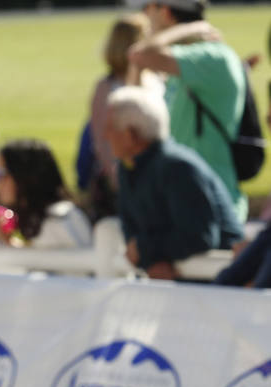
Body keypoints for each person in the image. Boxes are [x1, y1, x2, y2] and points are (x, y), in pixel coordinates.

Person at [127, 0, 248, 222]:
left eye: (149, 7)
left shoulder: (210, 57)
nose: (145, 14)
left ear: (165, 13)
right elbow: (131, 103)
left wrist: (189, 28)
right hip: (184, 201)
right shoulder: (185, 62)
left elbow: (139, 55)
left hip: (208, 204)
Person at [106, 86, 242, 280]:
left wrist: (146, 250)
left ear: (130, 134)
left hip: (216, 285)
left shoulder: (178, 168)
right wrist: (150, 260)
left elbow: (199, 237)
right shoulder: (128, 168)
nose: (105, 135)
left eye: (111, 127)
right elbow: (132, 232)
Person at [84, 13, 157, 222]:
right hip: (123, 182)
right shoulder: (106, 87)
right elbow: (102, 140)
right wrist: (120, 181)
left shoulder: (156, 79)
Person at [0, 139, 92, 249]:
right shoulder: (52, 215)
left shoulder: (57, 221)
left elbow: (51, 261)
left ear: (24, 176)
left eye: (1, 173)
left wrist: (8, 244)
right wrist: (7, 242)